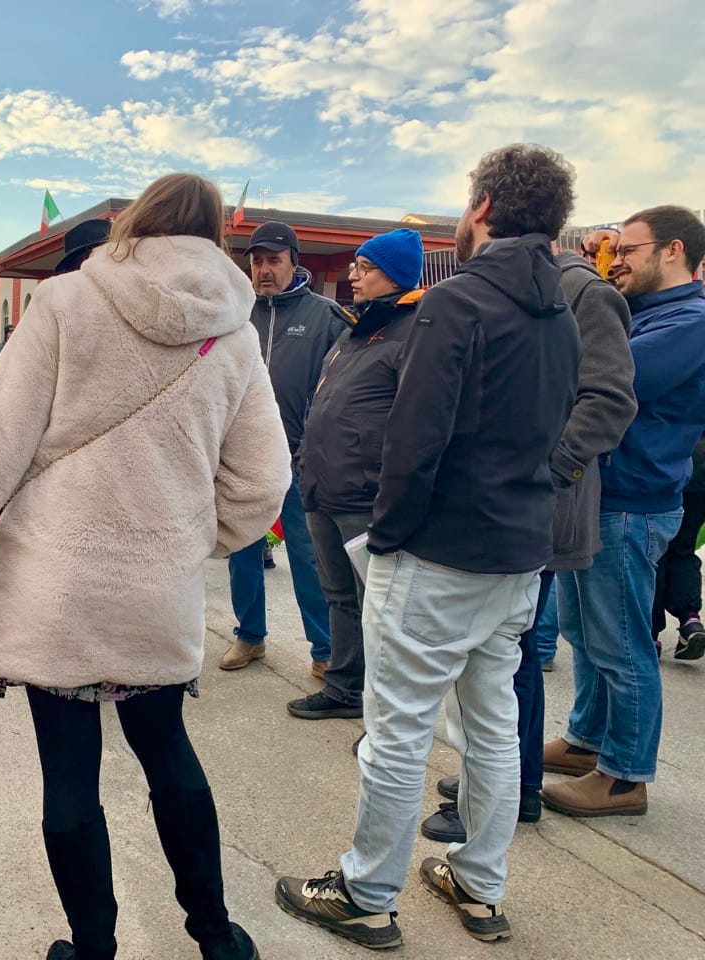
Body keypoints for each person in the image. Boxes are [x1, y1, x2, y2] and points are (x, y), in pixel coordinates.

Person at [0, 173, 286, 960]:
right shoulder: (236, 332)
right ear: (212, 240)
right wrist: (196, 539)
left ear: (138, 223)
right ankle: (217, 938)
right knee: (170, 756)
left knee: (69, 776)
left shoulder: (65, 305)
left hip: (57, 586)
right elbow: (262, 480)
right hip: (155, 588)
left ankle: (92, 948)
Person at [276, 144, 580, 948]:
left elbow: (414, 443)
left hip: (441, 551)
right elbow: (558, 429)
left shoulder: (460, 301)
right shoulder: (565, 305)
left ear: (480, 208)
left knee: (398, 727)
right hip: (518, 552)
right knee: (491, 721)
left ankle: (366, 892)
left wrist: (391, 539)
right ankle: (480, 883)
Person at [421, 238, 637, 844]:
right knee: (495, 656)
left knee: (507, 658)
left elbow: (610, 398)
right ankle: (495, 778)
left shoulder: (583, 292)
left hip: (539, 509)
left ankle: (512, 792)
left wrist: (543, 469)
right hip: (507, 508)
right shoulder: (519, 290)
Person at [543, 206, 705, 817]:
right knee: (584, 631)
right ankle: (588, 741)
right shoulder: (645, 312)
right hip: (606, 494)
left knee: (622, 640)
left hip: (634, 500)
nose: (616, 261)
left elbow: (605, 378)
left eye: (627, 249)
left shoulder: (689, 321)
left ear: (673, 250)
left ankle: (626, 775)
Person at [286, 228, 424, 722]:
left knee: (378, 607)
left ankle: (384, 712)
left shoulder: (414, 331)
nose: (353, 274)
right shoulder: (352, 331)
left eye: (365, 268)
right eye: (356, 265)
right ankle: (343, 688)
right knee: (339, 595)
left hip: (367, 494)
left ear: (396, 275)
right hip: (324, 486)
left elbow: (416, 419)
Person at [220, 221, 340, 678]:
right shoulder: (236, 316)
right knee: (243, 549)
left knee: (308, 556)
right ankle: (250, 637)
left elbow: (342, 387)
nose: (264, 270)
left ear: (294, 262)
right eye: (256, 262)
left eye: (273, 261)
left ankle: (324, 648)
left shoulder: (325, 316)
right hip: (242, 458)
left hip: (300, 457)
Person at [653, 434, 705, 660]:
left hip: (670, 462)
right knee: (683, 548)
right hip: (701, 472)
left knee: (654, 554)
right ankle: (690, 619)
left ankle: (649, 632)